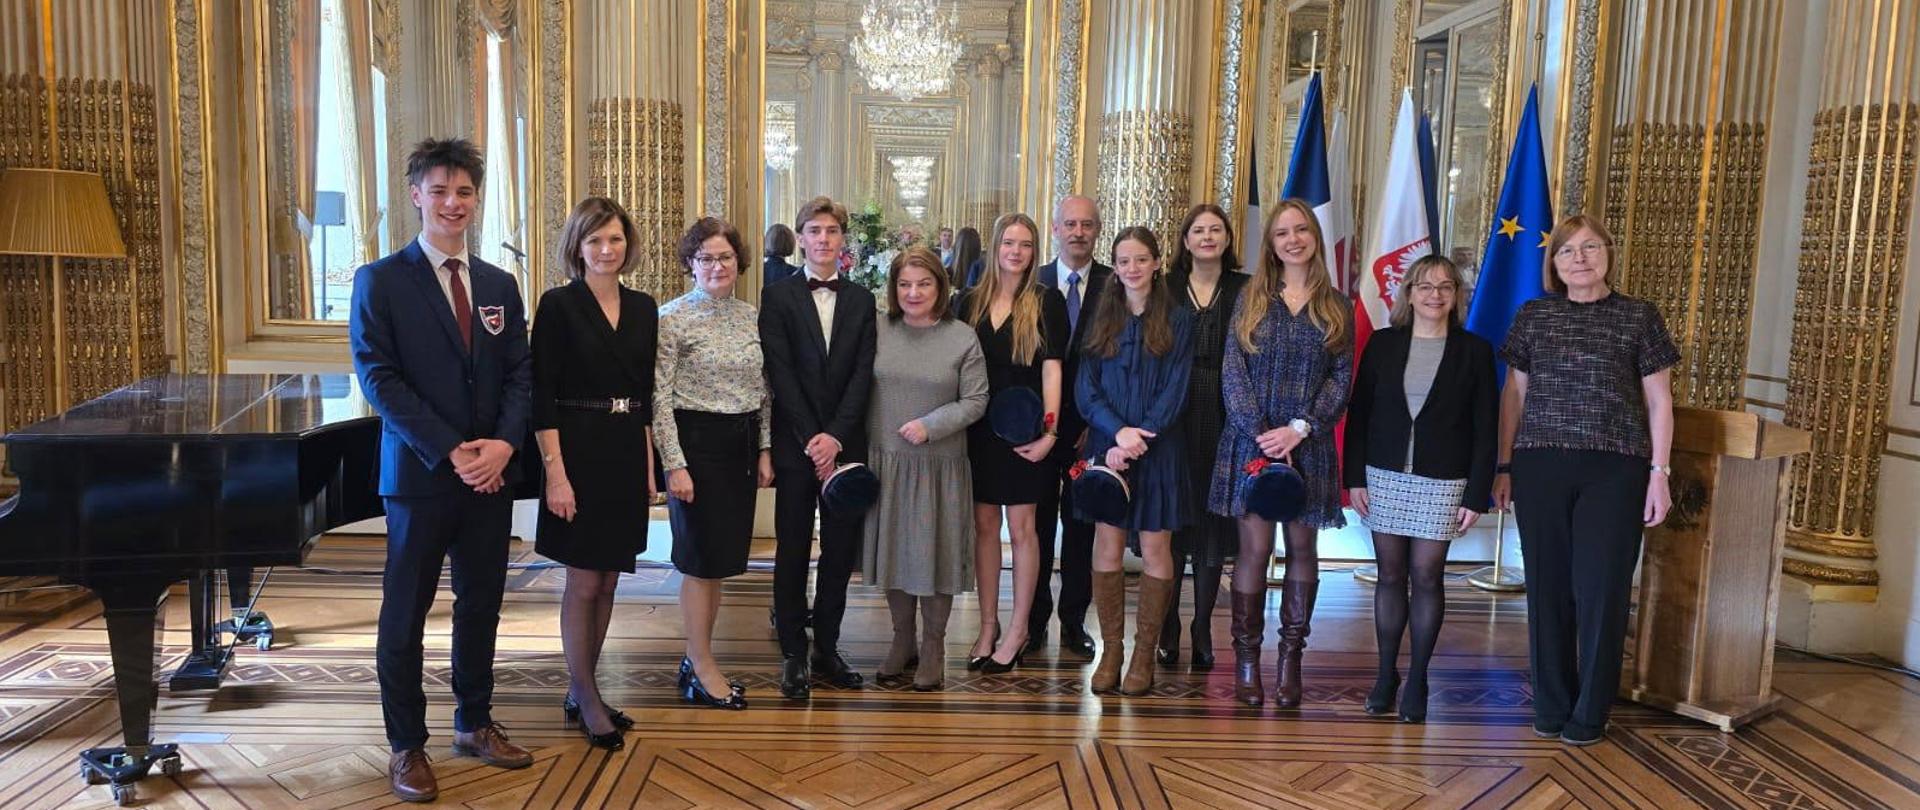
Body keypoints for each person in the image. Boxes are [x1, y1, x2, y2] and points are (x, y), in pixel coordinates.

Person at [349, 138, 533, 803]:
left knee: (481, 605)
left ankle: (475, 722)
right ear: (416, 196)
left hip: (491, 475)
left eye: (464, 192)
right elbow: (380, 378)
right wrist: (452, 449)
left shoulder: (498, 284)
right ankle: (407, 745)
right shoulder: (381, 280)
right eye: (441, 191)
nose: (453, 203)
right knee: (406, 612)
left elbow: (520, 374)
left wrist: (504, 448)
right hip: (423, 477)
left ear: (476, 200)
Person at [1492, 215, 1677, 746]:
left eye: (1590, 247)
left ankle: (1591, 711)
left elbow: (1659, 401)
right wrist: (1504, 466)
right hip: (1539, 465)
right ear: (1553, 264)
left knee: (1601, 590)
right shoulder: (1534, 315)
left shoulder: (1639, 317)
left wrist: (1658, 475)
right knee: (1547, 589)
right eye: (1568, 250)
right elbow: (1514, 396)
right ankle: (1551, 703)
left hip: (1615, 470)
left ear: (1608, 254)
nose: (1580, 258)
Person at [1209, 198, 1353, 709]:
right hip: (1250, 446)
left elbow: (1341, 379)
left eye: (1301, 230)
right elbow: (1233, 372)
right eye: (1282, 233)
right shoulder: (1251, 296)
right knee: (1251, 552)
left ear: (1314, 235)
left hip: (1307, 447)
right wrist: (1264, 436)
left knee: (1303, 550)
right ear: (1270, 244)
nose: (1292, 240)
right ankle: (1248, 661)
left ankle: (1290, 658)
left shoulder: (1336, 304)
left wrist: (1299, 430)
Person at [1343, 254, 1496, 724]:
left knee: (1426, 575)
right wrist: (1353, 478)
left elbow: (1486, 427)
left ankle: (1419, 678)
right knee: (1390, 575)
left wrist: (1477, 494)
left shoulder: (1474, 350)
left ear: (1456, 296)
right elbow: (1360, 414)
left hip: (1443, 479)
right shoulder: (1384, 345)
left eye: (1445, 287)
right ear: (1408, 293)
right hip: (1384, 474)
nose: (1435, 295)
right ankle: (1386, 674)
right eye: (1425, 286)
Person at [531, 197, 658, 750]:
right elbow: (542, 398)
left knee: (608, 578)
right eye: (595, 241)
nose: (607, 250)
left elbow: (647, 398)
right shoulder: (557, 305)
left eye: (615, 239)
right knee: (583, 580)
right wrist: (556, 476)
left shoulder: (646, 306)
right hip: (575, 450)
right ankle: (584, 693)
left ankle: (585, 684)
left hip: (626, 450)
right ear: (577, 247)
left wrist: (650, 469)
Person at [760, 195, 879, 701]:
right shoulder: (778, 297)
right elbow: (780, 374)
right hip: (795, 446)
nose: (824, 239)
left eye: (832, 230)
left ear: (842, 238)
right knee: (791, 547)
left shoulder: (861, 300)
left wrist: (835, 436)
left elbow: (862, 374)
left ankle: (827, 646)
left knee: (838, 551)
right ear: (801, 237)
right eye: (814, 230)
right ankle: (793, 650)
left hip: (846, 445)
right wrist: (813, 439)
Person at [655, 216, 774, 711]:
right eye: (705, 258)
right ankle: (701, 664)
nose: (717, 266)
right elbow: (658, 397)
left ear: (738, 263)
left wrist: (765, 448)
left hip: (742, 445)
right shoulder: (671, 318)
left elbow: (764, 390)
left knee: (720, 563)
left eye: (725, 257)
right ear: (690, 264)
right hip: (696, 446)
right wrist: (675, 464)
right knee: (700, 562)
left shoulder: (751, 316)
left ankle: (697, 657)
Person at [862, 246, 989, 691]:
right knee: (894, 554)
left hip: (939, 467)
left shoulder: (961, 337)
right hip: (887, 464)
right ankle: (902, 641)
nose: (913, 292)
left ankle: (933, 645)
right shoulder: (877, 329)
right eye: (904, 284)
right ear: (894, 289)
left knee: (935, 557)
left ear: (941, 286)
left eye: (924, 283)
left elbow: (976, 400)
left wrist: (931, 426)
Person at [1078, 227, 1194, 695]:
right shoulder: (1101, 316)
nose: (1131, 269)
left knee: (1156, 549)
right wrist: (1117, 434)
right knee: (1106, 545)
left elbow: (1176, 388)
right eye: (1123, 261)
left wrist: (1141, 435)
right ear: (1115, 265)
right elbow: (1085, 387)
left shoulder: (1178, 319)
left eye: (1140, 260)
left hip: (1158, 448)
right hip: (1108, 449)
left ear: (1155, 263)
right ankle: (1112, 650)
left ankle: (1144, 653)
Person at [956, 212, 1069, 672]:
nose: (1016, 251)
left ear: (1034, 250)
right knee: (984, 529)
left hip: (1027, 430)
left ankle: (1020, 627)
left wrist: (1050, 433)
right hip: (979, 429)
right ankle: (988, 625)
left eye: (1025, 244)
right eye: (1008, 242)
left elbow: (1053, 369)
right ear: (995, 247)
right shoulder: (968, 302)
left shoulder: (1047, 301)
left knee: (1023, 531)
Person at [1156, 203, 1247, 671]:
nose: (1207, 236)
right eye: (1198, 229)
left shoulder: (1248, 288)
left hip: (1228, 411)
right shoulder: (1165, 287)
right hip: (1172, 410)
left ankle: (1202, 625)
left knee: (1212, 525)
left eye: (1216, 229)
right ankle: (1168, 623)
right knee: (1173, 521)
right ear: (1185, 240)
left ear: (1227, 238)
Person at [1025, 194, 1110, 659]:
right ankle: (1033, 621)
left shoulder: (1115, 284)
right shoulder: (1031, 284)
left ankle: (1074, 621)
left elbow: (1116, 364)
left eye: (1087, 225)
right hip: (1038, 433)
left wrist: (1093, 425)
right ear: (1054, 229)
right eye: (1069, 224)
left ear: (1097, 230)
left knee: (1081, 530)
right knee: (1034, 530)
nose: (1078, 232)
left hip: (1089, 433)